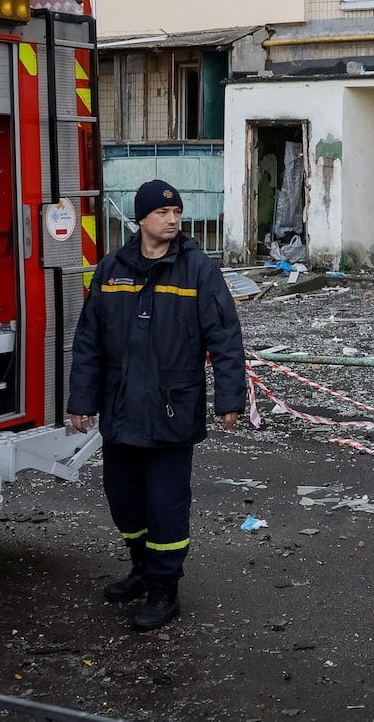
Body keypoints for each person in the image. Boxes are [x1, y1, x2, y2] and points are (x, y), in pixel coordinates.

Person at [68, 179, 246, 631]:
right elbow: (89, 341)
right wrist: (81, 401)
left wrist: (230, 398)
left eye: (177, 212)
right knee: (123, 500)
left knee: (165, 504)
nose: (173, 220)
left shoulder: (198, 270)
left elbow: (225, 337)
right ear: (141, 218)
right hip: (122, 410)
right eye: (164, 213)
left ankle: (165, 589)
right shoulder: (112, 269)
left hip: (172, 411)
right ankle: (142, 569)